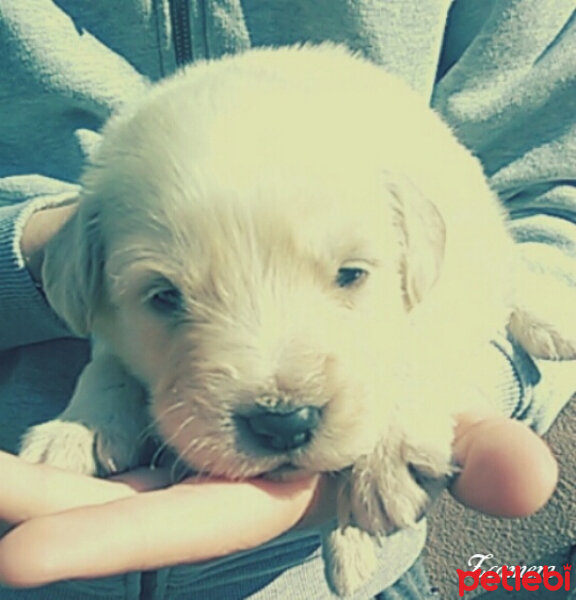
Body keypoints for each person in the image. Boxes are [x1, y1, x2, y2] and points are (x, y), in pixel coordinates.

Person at [0, 1, 574, 598]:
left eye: (348, 276)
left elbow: (521, 220)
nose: (278, 404)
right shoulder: (103, 217)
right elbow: (100, 305)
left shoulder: (388, 144)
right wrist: (101, 375)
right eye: (169, 297)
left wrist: (447, 381)